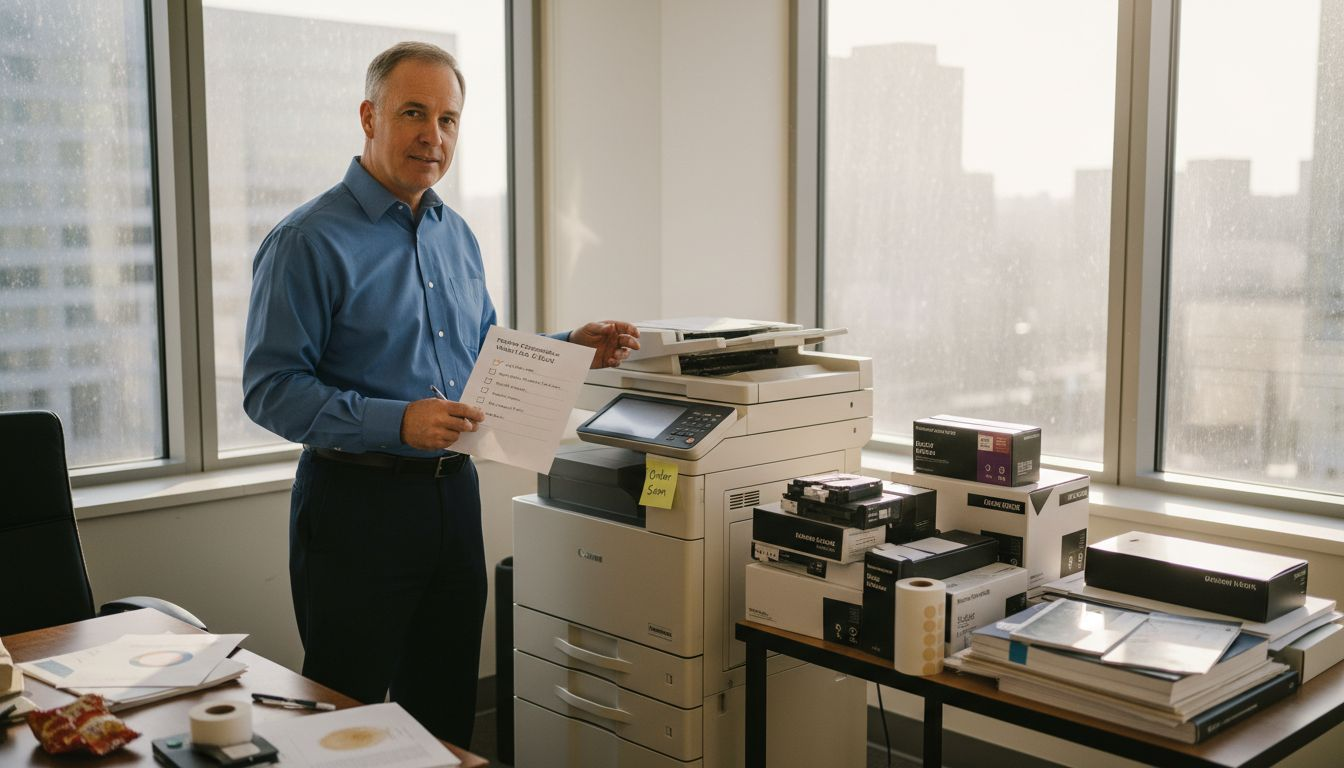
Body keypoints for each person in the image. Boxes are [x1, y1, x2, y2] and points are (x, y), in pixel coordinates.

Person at [242, 41, 639, 747]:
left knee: (445, 713)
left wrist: (569, 346)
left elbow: (483, 358)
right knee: (348, 724)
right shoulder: (306, 241)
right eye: (414, 113)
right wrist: (399, 422)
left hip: (452, 502)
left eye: (449, 119)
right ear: (369, 117)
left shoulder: (457, 236)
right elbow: (271, 390)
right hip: (354, 510)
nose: (434, 135)